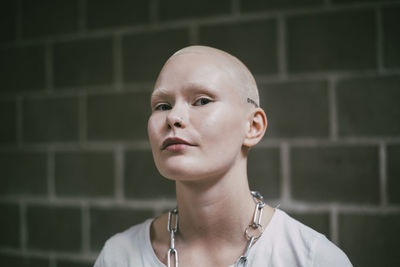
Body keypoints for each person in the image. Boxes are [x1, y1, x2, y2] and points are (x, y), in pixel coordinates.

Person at [94, 45, 352, 267]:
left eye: (202, 101)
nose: (173, 117)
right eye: (162, 105)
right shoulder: (118, 257)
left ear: (253, 127)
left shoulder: (312, 259)